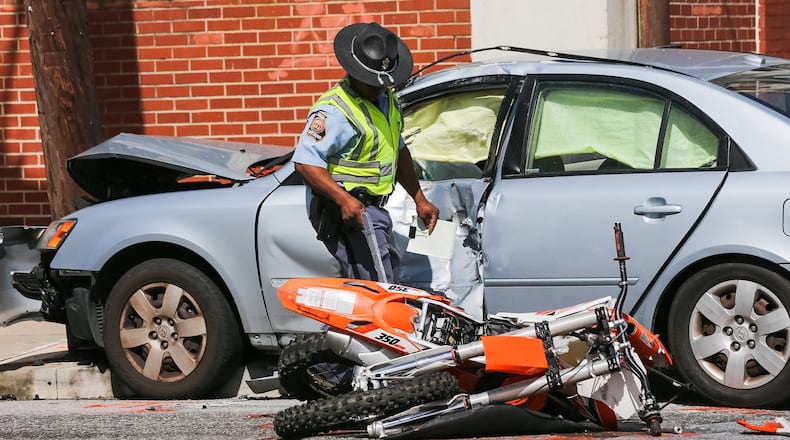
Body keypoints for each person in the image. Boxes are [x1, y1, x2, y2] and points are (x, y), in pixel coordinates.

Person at [292, 22, 439, 283]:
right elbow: (305, 162)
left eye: (382, 82)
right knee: (377, 287)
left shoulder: (388, 100)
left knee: (381, 281)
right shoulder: (335, 110)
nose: (377, 87)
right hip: (347, 211)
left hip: (373, 211)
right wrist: (342, 199)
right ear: (354, 71)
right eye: (370, 81)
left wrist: (419, 199)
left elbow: (398, 150)